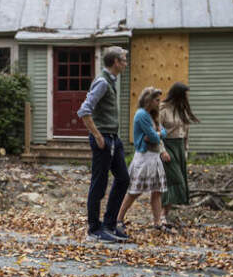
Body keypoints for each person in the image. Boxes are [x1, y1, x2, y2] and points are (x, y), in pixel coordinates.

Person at [77, 46, 130, 242]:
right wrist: (98, 136)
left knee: (123, 178)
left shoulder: (111, 81)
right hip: (104, 139)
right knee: (99, 183)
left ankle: (109, 224)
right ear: (115, 62)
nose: (125, 63)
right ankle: (93, 229)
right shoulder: (102, 82)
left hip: (114, 138)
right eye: (124, 60)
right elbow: (84, 111)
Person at [116, 86, 170, 232]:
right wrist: (157, 134)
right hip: (144, 158)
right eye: (157, 100)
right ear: (149, 100)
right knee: (135, 191)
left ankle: (157, 222)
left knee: (157, 191)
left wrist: (157, 134)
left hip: (154, 157)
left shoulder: (153, 115)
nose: (159, 103)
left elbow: (162, 132)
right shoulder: (141, 115)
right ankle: (118, 218)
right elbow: (154, 136)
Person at [159, 81, 199, 226]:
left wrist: (186, 150)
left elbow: (186, 131)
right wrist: (162, 151)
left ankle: (165, 214)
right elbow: (156, 132)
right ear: (178, 95)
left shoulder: (182, 109)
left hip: (179, 147)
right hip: (167, 146)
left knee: (176, 181)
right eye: (185, 95)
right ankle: (161, 215)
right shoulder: (163, 109)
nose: (187, 98)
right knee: (175, 180)